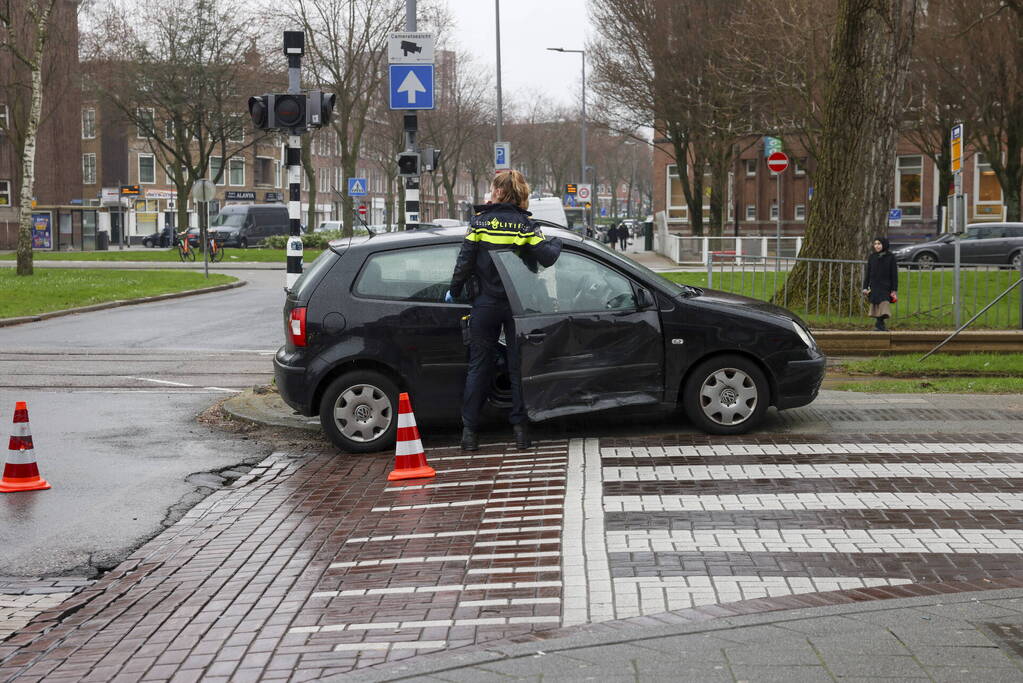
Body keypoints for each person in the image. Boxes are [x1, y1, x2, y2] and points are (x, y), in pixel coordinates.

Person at [446, 170, 563, 451]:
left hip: (485, 305)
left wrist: (455, 289)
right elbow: (547, 257)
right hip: (516, 306)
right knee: (517, 367)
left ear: (498, 191)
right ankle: (521, 433)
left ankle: (470, 434)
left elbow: (465, 260)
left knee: (478, 367)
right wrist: (556, 241)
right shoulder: (525, 225)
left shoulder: (479, 222)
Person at [862, 236, 898, 331]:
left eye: (879, 244)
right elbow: (868, 273)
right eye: (875, 244)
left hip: (886, 286)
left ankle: (880, 325)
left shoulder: (891, 257)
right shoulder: (872, 257)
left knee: (884, 304)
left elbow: (894, 274)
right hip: (874, 285)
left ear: (884, 244)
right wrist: (865, 287)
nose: (877, 246)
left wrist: (894, 289)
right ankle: (880, 325)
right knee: (876, 305)